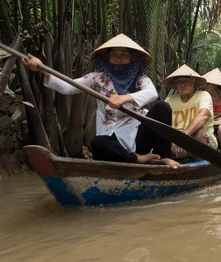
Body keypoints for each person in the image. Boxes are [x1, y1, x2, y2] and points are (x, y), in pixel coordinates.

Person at [23, 33, 179, 168]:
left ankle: (162, 157)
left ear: (132, 58)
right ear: (107, 58)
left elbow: (152, 93)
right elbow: (66, 87)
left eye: (124, 54)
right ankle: (137, 159)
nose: (118, 58)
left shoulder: (140, 79)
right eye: (114, 54)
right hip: (112, 144)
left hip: (137, 139)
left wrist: (124, 98)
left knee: (162, 107)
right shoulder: (97, 78)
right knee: (98, 143)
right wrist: (42, 68)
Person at [163, 64, 217, 161]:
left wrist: (183, 139)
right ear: (175, 85)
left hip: (202, 143)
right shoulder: (169, 100)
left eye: (186, 81)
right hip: (176, 146)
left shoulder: (203, 95)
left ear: (193, 81)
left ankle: (201, 169)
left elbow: (203, 116)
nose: (183, 85)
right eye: (179, 82)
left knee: (199, 131)